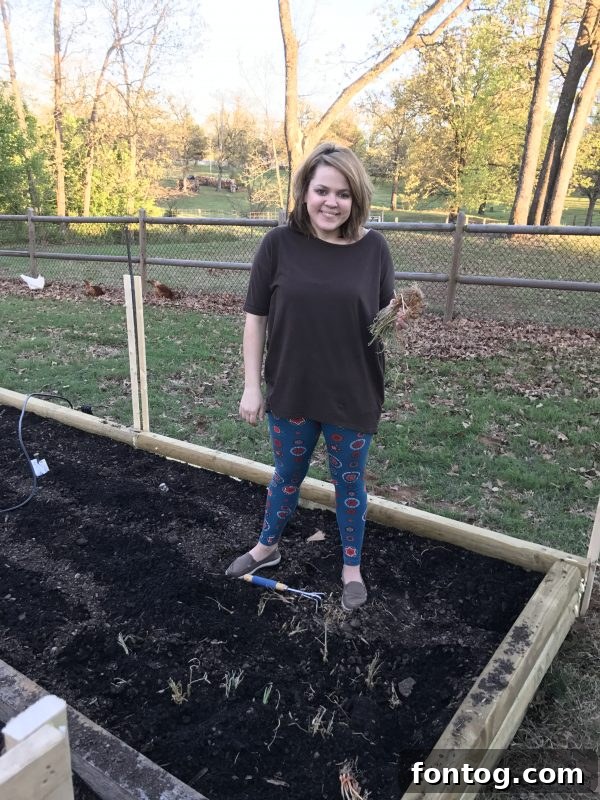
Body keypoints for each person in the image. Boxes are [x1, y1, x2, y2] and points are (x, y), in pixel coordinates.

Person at [225, 142, 400, 611]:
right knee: (286, 476)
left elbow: (381, 315)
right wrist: (250, 385)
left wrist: (398, 316)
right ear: (305, 192)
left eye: (343, 193)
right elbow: (255, 319)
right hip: (292, 388)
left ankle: (350, 568)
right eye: (322, 190)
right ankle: (267, 548)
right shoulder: (278, 245)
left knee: (349, 484)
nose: (331, 202)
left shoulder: (373, 249)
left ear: (356, 198)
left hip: (353, 391)